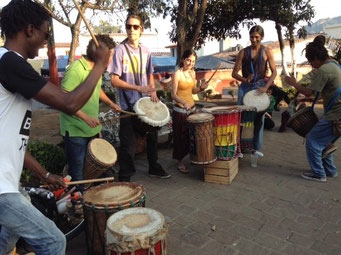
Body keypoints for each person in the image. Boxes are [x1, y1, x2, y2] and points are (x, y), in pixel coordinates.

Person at [0, 0, 111, 254]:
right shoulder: (10, 63)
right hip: (2, 189)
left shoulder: (7, 63)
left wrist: (45, 175)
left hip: (7, 184)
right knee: (53, 240)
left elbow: (10, 143)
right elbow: (69, 102)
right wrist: (101, 65)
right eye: (44, 33)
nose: (45, 40)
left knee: (9, 236)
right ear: (29, 30)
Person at [108, 14, 171, 182]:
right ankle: (125, 178)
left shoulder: (146, 51)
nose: (131, 30)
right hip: (128, 106)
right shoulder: (120, 50)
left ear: (141, 30)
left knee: (152, 137)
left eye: (135, 27)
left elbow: (150, 74)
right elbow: (114, 80)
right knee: (128, 145)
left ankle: (153, 167)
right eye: (128, 26)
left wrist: (152, 91)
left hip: (145, 105)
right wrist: (138, 88)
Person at [60, 34, 120, 190]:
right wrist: (86, 118)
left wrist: (111, 103)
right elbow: (63, 99)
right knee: (78, 176)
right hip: (75, 132)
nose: (110, 57)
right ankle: (79, 208)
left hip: (91, 129)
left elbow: (97, 88)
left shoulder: (96, 69)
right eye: (110, 54)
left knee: (96, 173)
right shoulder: (76, 69)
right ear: (99, 51)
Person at [285, 35, 341, 182]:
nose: (311, 66)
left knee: (312, 140)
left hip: (335, 115)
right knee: (324, 143)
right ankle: (330, 171)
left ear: (316, 58)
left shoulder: (324, 70)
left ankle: (319, 174)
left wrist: (293, 82)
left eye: (311, 62)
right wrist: (307, 99)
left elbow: (309, 91)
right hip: (337, 113)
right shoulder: (335, 65)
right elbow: (329, 92)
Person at [232, 25, 277, 157]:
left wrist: (266, 87)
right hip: (246, 87)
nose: (254, 39)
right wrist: (245, 79)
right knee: (240, 118)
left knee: (259, 119)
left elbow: (274, 72)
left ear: (261, 37)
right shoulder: (243, 52)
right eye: (252, 37)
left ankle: (256, 148)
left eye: (257, 37)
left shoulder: (267, 51)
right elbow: (234, 73)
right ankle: (238, 148)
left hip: (260, 87)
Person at [171, 49, 208, 173]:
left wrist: (201, 88)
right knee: (180, 137)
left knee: (191, 136)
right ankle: (180, 161)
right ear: (183, 59)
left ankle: (193, 157)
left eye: (193, 61)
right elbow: (173, 95)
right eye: (188, 60)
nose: (190, 63)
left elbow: (192, 91)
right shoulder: (177, 74)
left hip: (192, 109)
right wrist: (184, 102)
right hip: (180, 110)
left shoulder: (193, 73)